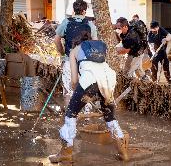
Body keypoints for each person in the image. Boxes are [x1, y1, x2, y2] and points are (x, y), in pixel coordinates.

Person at [49, 33, 129, 163]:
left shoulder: (74, 50)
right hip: (108, 80)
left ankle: (65, 153)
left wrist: (77, 91)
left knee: (70, 115)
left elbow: (74, 80)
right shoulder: (99, 48)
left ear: (76, 42)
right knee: (110, 117)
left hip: (89, 82)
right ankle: (123, 153)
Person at [54, 0, 98, 98]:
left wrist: (62, 53)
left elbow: (56, 40)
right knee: (85, 92)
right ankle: (86, 112)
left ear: (73, 10)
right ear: (84, 11)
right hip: (85, 63)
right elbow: (95, 45)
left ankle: (70, 112)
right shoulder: (90, 25)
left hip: (69, 61)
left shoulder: (66, 22)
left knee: (69, 92)